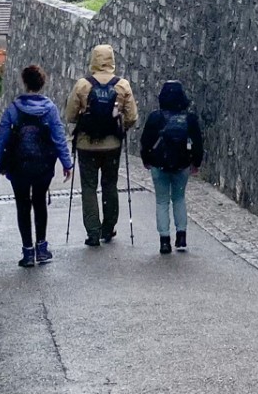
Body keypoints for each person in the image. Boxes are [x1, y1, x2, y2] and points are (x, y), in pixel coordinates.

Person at [0, 64, 73, 267]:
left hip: (18, 165)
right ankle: (42, 248)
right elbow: (58, 137)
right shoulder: (50, 109)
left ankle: (27, 252)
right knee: (39, 203)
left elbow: (3, 137)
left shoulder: (13, 109)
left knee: (22, 206)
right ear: (42, 83)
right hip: (43, 165)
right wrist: (67, 163)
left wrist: (1, 163)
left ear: (25, 82)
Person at [63, 43, 137, 246]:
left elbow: (70, 116)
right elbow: (132, 117)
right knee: (110, 185)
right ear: (112, 60)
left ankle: (93, 232)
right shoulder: (122, 85)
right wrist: (120, 128)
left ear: (93, 59)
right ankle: (108, 227)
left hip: (86, 145)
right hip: (112, 145)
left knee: (88, 187)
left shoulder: (82, 85)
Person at [140, 79, 204, 254]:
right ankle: (181, 235)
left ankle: (164, 240)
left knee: (162, 201)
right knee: (179, 198)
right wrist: (196, 163)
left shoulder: (155, 117)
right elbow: (198, 142)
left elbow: (145, 141)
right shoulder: (189, 119)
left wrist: (146, 159)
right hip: (182, 165)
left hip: (159, 164)